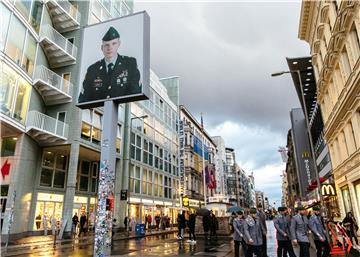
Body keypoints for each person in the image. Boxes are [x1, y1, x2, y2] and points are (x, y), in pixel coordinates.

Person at [78, 26, 141, 104]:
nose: (110, 48)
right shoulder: (92, 69)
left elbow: (135, 92)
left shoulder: (130, 64)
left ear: (119, 44)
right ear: (102, 48)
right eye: (106, 45)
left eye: (113, 44)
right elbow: (83, 99)